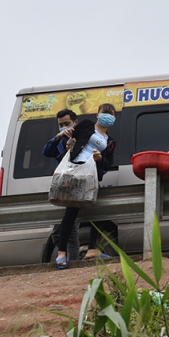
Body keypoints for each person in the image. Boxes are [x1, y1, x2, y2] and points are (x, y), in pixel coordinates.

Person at [54, 103, 117, 268]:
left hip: (90, 177)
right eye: (105, 112)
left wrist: (101, 159)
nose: (108, 116)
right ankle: (61, 253)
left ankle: (92, 249)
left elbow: (109, 162)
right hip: (74, 170)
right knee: (71, 212)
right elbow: (71, 136)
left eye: (111, 114)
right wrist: (69, 142)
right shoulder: (87, 125)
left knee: (100, 211)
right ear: (98, 115)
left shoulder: (110, 141)